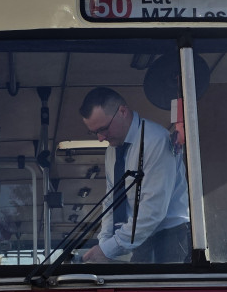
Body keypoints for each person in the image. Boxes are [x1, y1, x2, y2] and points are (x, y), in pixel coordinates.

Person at [78, 87, 190, 264]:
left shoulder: (156, 141)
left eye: (104, 128)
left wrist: (107, 250)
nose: (100, 138)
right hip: (141, 238)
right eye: (94, 132)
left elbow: (153, 212)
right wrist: (104, 242)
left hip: (171, 237)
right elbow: (111, 200)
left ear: (122, 111)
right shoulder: (112, 151)